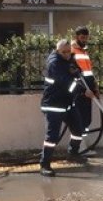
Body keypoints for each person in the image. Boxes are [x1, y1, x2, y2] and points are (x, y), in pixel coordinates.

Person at [39, 38, 92, 176]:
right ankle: (45, 164)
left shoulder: (68, 59)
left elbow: (77, 72)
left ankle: (73, 153)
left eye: (69, 51)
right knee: (52, 137)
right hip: (53, 105)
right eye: (64, 52)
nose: (67, 54)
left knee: (78, 129)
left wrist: (76, 71)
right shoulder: (54, 63)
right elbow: (67, 83)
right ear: (57, 51)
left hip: (67, 103)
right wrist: (83, 91)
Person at [69, 27, 99, 157]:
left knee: (87, 120)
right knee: (79, 120)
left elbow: (88, 72)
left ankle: (84, 144)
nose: (84, 40)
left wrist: (95, 87)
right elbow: (73, 74)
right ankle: (78, 147)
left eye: (86, 38)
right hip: (79, 91)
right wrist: (83, 90)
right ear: (76, 37)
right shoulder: (71, 50)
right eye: (82, 38)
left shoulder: (84, 51)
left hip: (88, 90)